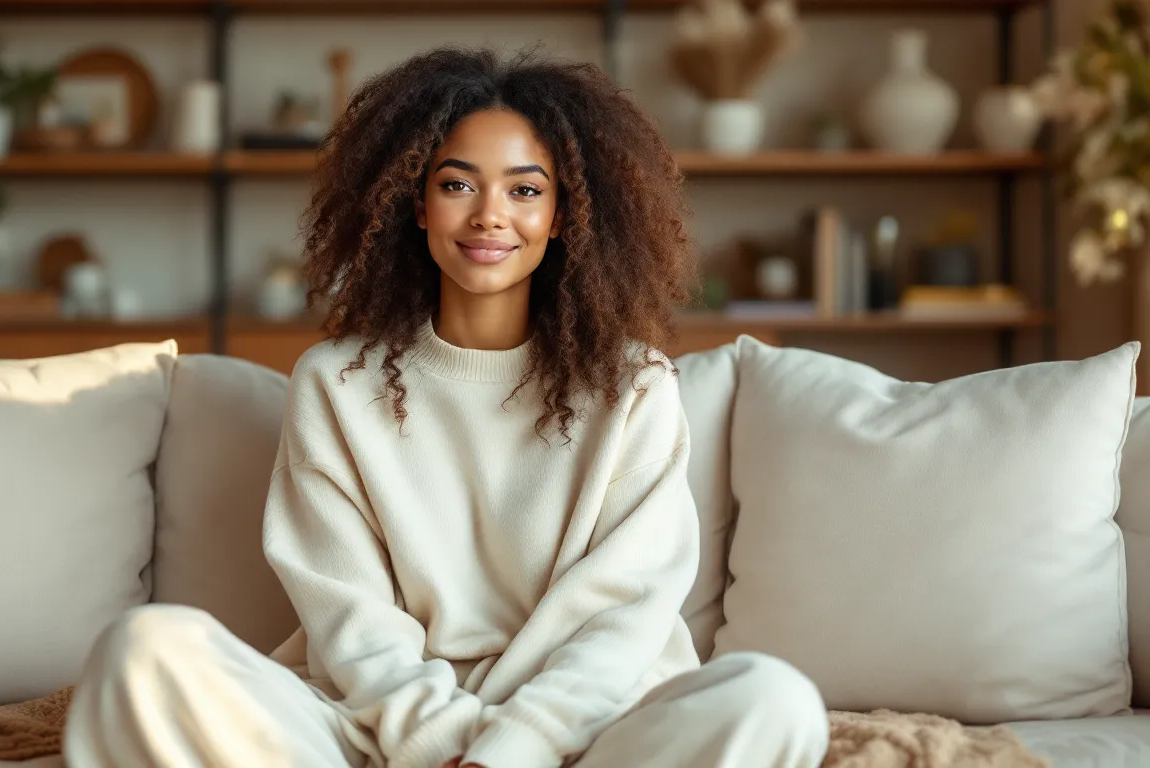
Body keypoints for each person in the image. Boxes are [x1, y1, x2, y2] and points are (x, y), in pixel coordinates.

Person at [63, 46, 828, 768]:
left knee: (773, 699)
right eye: (458, 184)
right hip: (376, 735)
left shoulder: (635, 387)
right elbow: (350, 619)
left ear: (563, 216)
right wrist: (445, 744)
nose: (490, 215)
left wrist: (512, 748)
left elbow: (624, 620)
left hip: (583, 738)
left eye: (525, 190)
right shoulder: (337, 383)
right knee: (146, 650)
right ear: (417, 205)